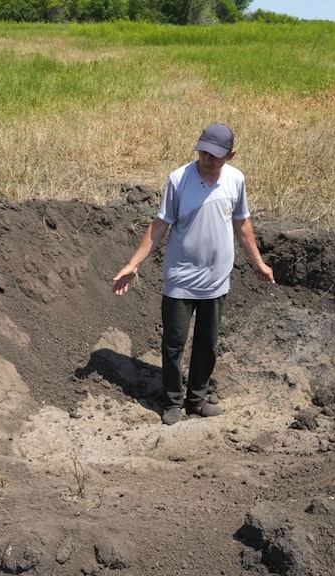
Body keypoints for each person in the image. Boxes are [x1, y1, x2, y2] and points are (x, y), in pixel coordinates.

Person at [112, 123, 276, 425]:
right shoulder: (179, 179)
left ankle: (197, 399)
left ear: (230, 155)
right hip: (181, 279)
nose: (206, 159)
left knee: (207, 344)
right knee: (174, 342)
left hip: (216, 280)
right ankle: (173, 401)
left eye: (214, 155)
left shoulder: (236, 180)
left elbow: (242, 225)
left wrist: (257, 261)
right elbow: (160, 224)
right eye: (202, 151)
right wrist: (133, 264)